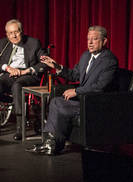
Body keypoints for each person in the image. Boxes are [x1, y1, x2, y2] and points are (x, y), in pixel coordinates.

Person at [33, 25, 118, 155]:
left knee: (57, 103)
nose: (90, 43)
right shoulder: (85, 56)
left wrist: (77, 91)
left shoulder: (109, 61)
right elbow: (74, 75)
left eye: (94, 39)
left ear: (104, 41)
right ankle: (52, 143)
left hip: (96, 104)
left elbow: (100, 87)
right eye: (88, 39)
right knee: (56, 102)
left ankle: (52, 143)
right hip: (82, 101)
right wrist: (56, 66)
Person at [0, 19, 44, 140]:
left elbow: (44, 63)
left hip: (27, 75)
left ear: (21, 31)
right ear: (6, 34)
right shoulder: (3, 43)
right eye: (10, 33)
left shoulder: (34, 43)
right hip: (10, 74)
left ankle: (20, 128)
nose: (13, 36)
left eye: (16, 32)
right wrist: (7, 68)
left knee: (17, 86)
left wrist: (25, 71)